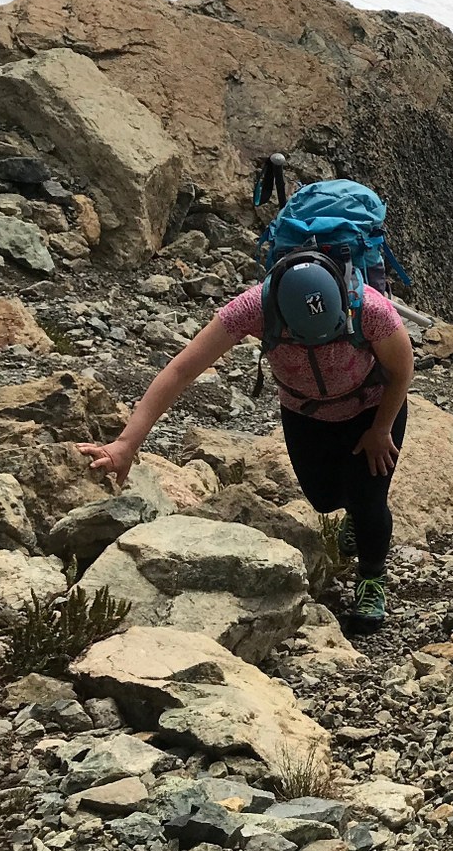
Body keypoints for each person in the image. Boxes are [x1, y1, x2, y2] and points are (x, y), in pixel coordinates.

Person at [77, 257, 414, 631]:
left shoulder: (370, 308)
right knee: (323, 498)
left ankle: (371, 576)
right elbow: (182, 369)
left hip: (371, 406)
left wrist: (382, 428)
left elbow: (402, 369)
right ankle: (353, 512)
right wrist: (126, 444)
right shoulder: (254, 308)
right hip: (305, 412)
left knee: (369, 499)